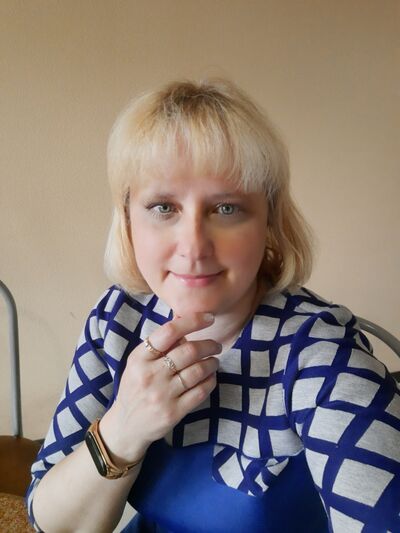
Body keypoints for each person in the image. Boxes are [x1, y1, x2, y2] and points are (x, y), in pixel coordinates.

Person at [27, 79, 400, 533]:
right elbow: (50, 523)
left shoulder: (320, 355)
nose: (193, 246)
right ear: (127, 221)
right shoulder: (117, 320)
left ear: (269, 222)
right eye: (163, 207)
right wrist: (122, 429)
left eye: (226, 209)